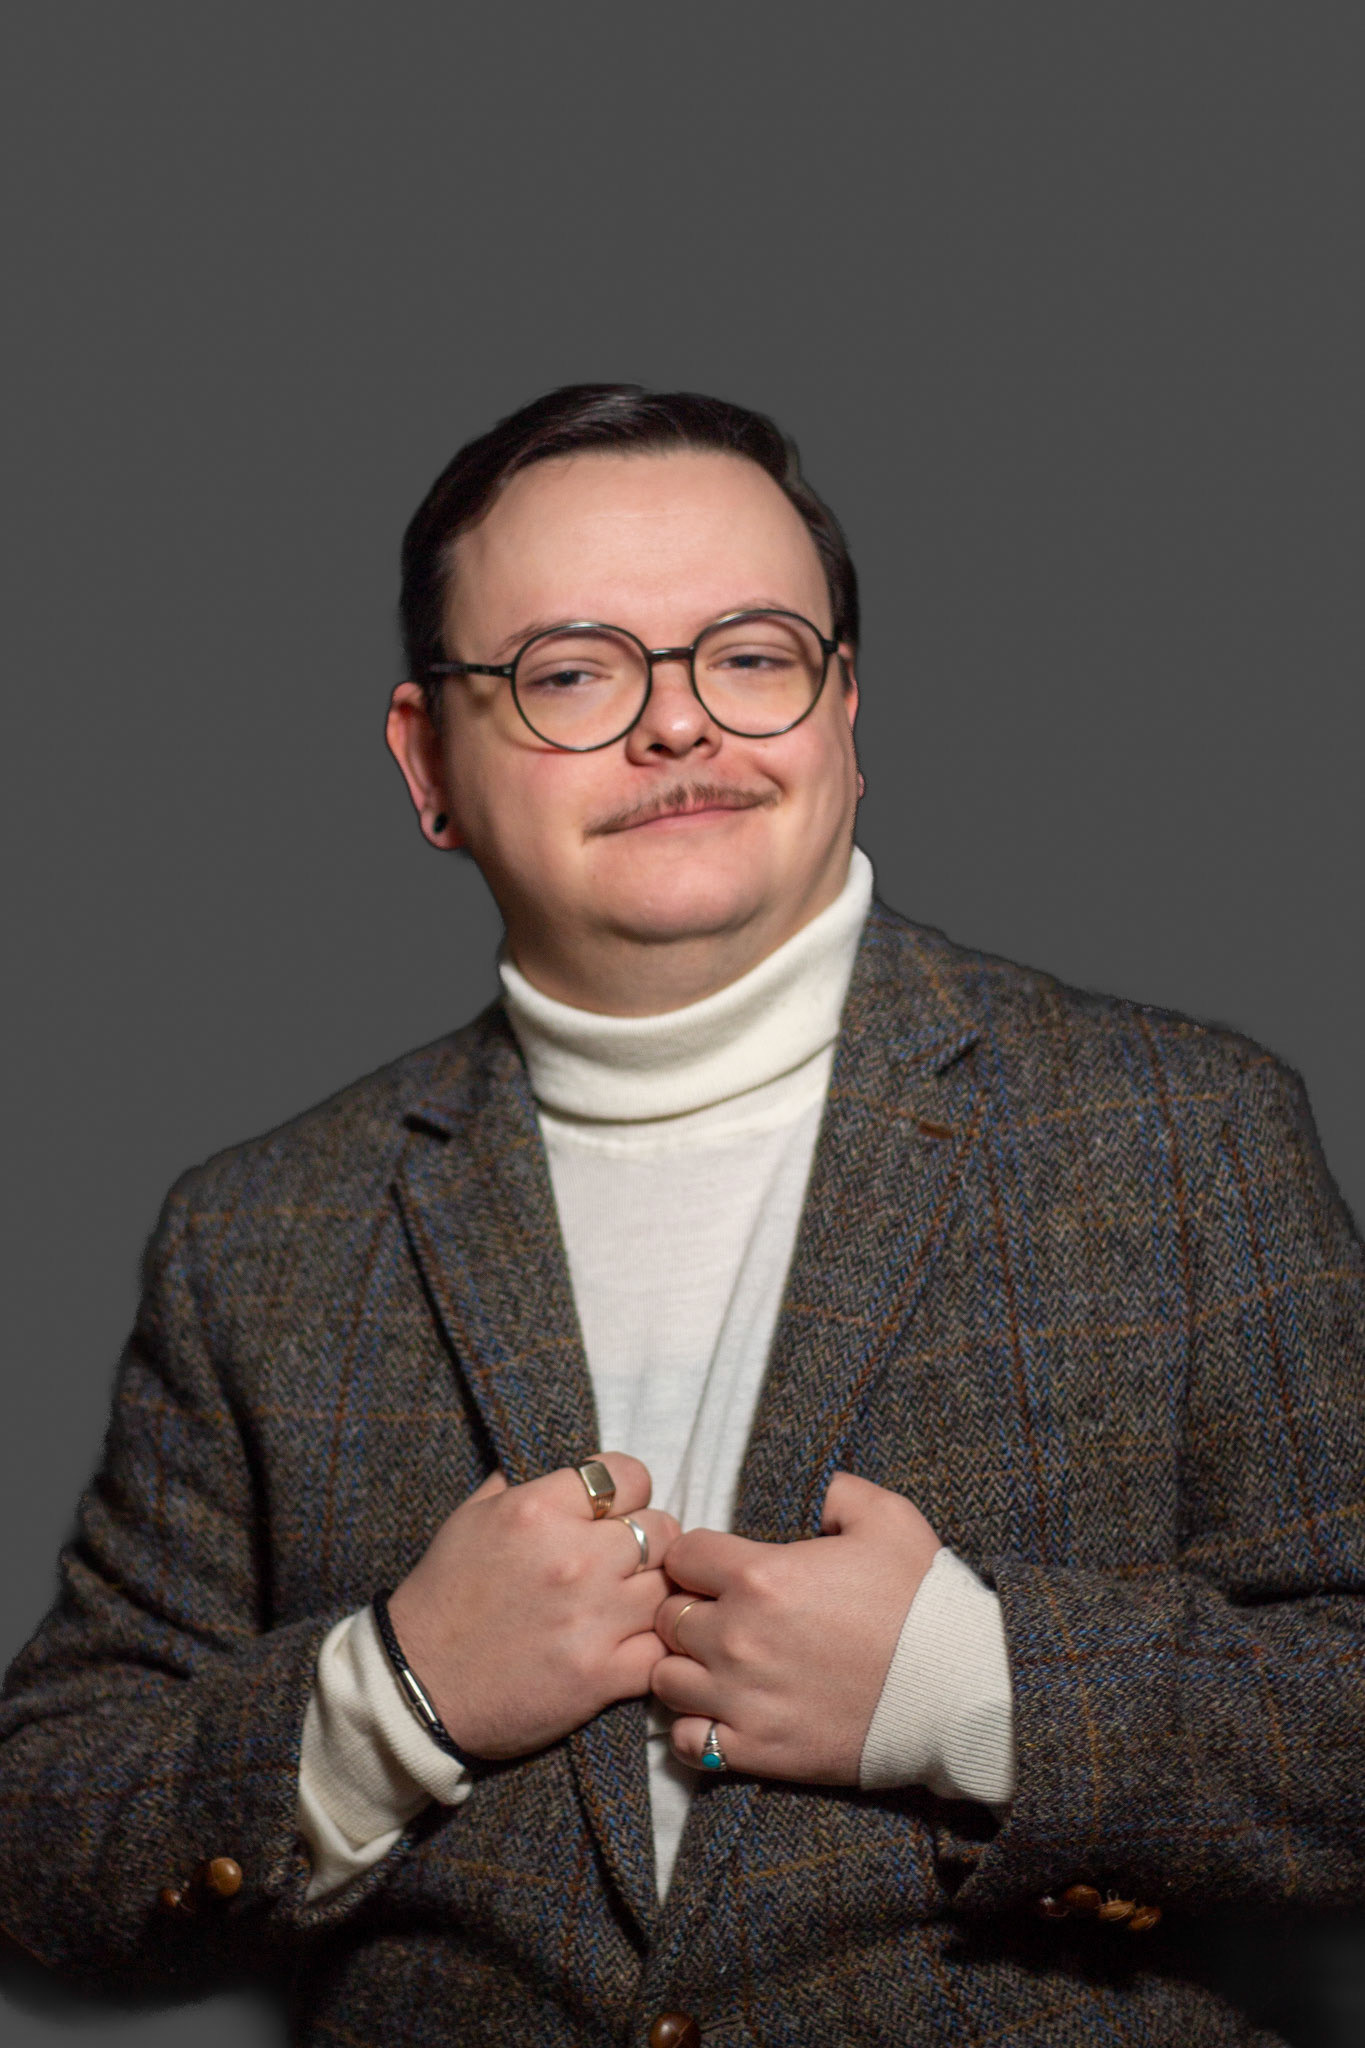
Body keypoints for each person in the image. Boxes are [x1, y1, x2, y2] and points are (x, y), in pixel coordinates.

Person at [1, 383, 1362, 2048]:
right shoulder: (257, 1236)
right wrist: (393, 1695)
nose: (677, 726)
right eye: (572, 672)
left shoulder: (1180, 1131)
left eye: (751, 655)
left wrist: (973, 1689)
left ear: (844, 712)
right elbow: (47, 1839)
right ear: (428, 763)